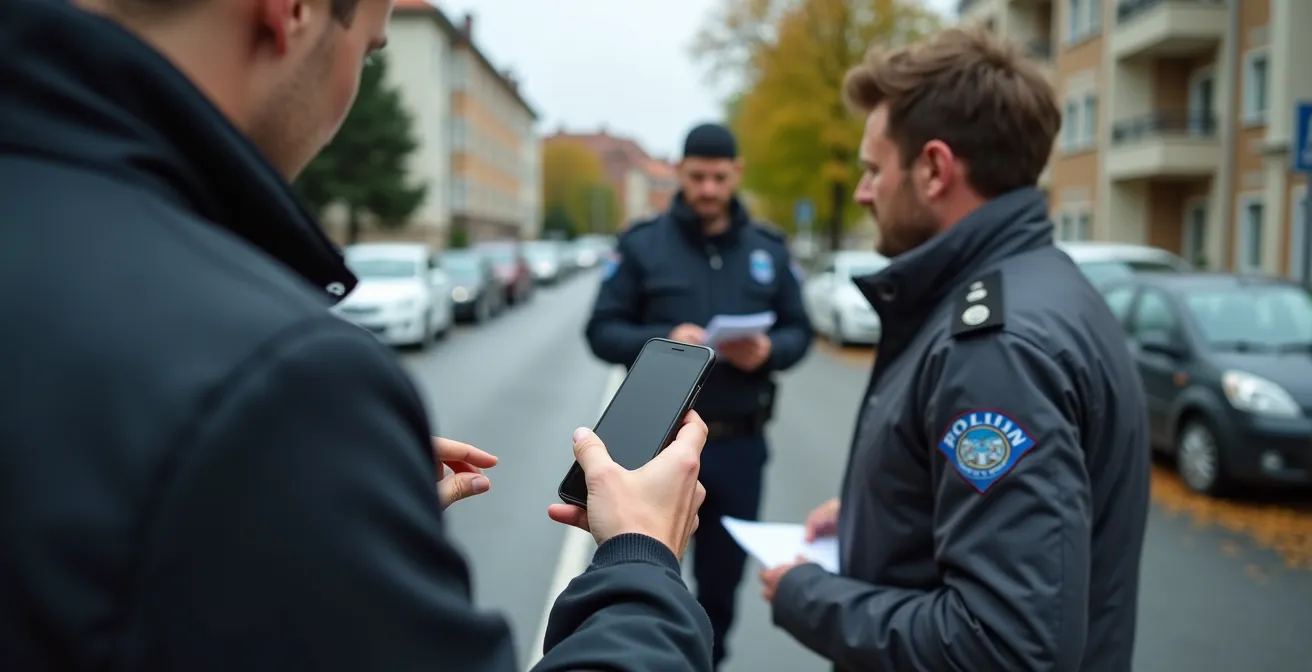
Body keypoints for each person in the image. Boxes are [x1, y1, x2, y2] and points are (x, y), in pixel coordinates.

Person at [0, 0, 714, 670]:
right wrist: (641, 558)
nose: (350, 96)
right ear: (295, 11)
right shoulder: (280, 382)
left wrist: (326, 526)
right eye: (369, 54)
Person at [757, 27, 1151, 672]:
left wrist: (811, 596)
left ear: (935, 169)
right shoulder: (1045, 285)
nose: (863, 191)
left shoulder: (998, 346)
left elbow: (1004, 645)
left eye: (873, 169)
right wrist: (871, 519)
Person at [585, 122, 813, 668]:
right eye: (696, 176)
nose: (708, 189)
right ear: (681, 173)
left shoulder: (768, 250)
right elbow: (600, 330)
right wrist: (662, 342)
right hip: (653, 447)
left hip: (737, 450)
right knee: (645, 573)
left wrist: (769, 350)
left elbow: (800, 331)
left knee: (720, 585)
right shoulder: (643, 246)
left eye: (718, 177)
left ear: (735, 174)